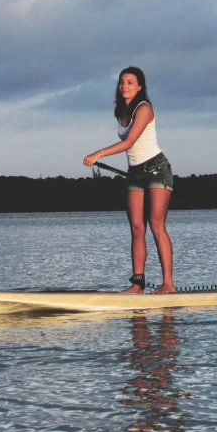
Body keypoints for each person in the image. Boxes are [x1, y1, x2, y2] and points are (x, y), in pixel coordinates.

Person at [83, 67, 175, 294]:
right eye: (122, 82)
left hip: (157, 170)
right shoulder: (121, 111)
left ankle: (168, 285)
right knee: (136, 228)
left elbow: (129, 142)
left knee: (156, 225)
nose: (124, 86)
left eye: (130, 82)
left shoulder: (144, 108)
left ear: (140, 87)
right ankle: (137, 284)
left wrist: (98, 153)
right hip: (135, 173)